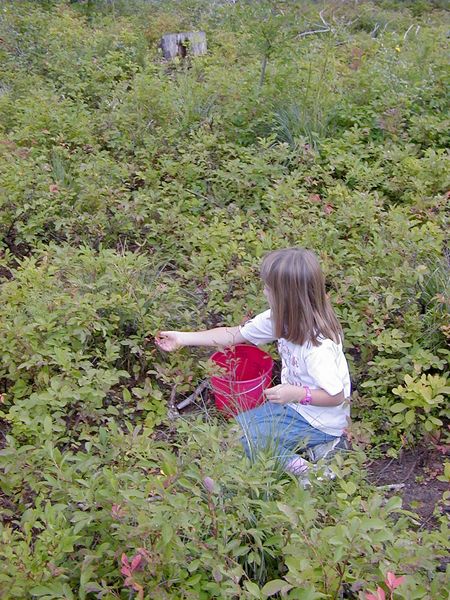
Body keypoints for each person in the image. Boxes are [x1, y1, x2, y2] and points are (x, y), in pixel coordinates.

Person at [156, 247, 351, 477]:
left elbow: (336, 396)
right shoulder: (281, 318)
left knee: (246, 441)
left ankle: (311, 472)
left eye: (269, 288)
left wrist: (296, 394)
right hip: (295, 408)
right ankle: (316, 449)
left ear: (287, 297)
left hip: (320, 420)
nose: (264, 292)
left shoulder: (317, 347)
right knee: (237, 430)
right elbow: (234, 334)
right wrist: (183, 338)